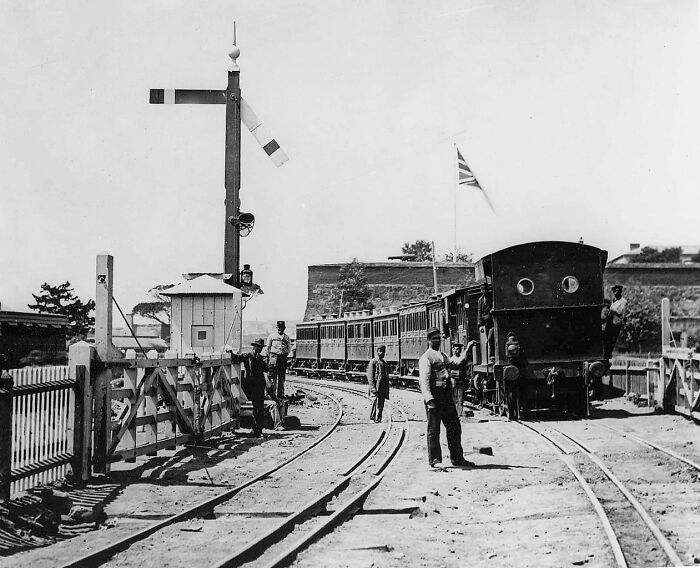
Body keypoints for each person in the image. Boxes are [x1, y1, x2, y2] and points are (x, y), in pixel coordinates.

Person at [419, 327, 477, 468]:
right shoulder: (426, 358)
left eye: (439, 338)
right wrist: (429, 400)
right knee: (434, 430)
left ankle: (457, 458)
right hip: (435, 396)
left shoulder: (443, 355)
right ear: (428, 341)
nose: (437, 341)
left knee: (454, 426)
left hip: (446, 395)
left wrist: (468, 348)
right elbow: (424, 381)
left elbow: (456, 363)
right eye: (434, 339)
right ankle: (435, 460)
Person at [230, 338, 268, 437]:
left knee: (259, 408)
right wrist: (230, 353)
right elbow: (236, 358)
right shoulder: (247, 356)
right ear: (254, 346)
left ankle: (258, 430)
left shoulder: (261, 359)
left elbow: (266, 369)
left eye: (260, 347)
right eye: (258, 347)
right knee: (250, 408)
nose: (259, 349)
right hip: (250, 386)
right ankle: (254, 429)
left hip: (259, 386)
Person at [266, 321, 291, 399]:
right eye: (279, 327)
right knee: (273, 376)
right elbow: (268, 347)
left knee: (281, 377)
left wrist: (285, 353)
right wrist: (269, 357)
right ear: (277, 328)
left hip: (282, 358)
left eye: (282, 328)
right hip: (273, 358)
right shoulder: (272, 336)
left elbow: (289, 348)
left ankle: (280, 394)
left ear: (284, 328)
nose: (280, 329)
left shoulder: (287, 338)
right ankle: (272, 394)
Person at [367, 345, 390, 422]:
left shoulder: (384, 363)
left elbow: (386, 375)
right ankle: (372, 417)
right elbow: (370, 376)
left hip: (382, 386)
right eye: (380, 351)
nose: (382, 353)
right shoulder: (373, 362)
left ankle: (379, 418)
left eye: (383, 351)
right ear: (377, 352)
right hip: (376, 386)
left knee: (381, 403)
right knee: (374, 401)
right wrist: (372, 387)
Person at [603, 285, 627, 360]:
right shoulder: (613, 299)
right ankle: (606, 354)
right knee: (606, 337)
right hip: (610, 321)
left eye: (618, 292)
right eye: (614, 292)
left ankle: (608, 354)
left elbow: (620, 311)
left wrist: (612, 309)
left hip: (616, 322)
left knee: (612, 339)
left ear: (620, 292)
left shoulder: (623, 301)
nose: (616, 293)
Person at [449, 343, 469, 417]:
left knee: (460, 399)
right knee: (453, 398)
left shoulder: (462, 359)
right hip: (453, 380)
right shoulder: (451, 359)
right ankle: (453, 414)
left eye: (458, 350)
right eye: (455, 349)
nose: (457, 351)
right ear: (453, 350)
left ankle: (459, 414)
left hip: (461, 380)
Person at [477, 284, 494, 360]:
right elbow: (479, 312)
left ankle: (492, 355)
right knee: (488, 339)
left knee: (490, 338)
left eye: (485, 289)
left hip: (492, 321)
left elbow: (494, 306)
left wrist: (490, 312)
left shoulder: (492, 297)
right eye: (482, 289)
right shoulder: (480, 300)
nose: (484, 291)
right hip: (486, 322)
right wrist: (479, 323)